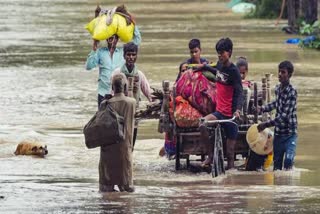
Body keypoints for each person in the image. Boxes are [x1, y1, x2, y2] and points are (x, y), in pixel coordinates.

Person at [198, 37, 243, 170]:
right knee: (202, 124)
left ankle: (230, 183)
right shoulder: (219, 64)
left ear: (229, 52)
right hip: (219, 113)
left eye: (222, 53)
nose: (220, 55)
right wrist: (204, 67)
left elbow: (240, 92)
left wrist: (238, 110)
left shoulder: (234, 72)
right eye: (218, 52)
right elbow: (216, 71)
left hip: (231, 116)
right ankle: (211, 155)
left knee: (230, 154)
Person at [85, 26, 141, 107]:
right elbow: (88, 66)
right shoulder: (100, 52)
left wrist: (133, 23)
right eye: (110, 37)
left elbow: (136, 42)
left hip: (119, 94)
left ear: (118, 39)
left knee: (119, 118)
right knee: (103, 118)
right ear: (106, 39)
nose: (112, 40)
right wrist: (94, 49)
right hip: (103, 93)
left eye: (114, 37)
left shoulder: (122, 52)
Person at [99, 73, 136, 192]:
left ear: (112, 87)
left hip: (107, 151)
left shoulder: (105, 104)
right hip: (124, 150)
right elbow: (129, 97)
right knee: (127, 190)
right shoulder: (131, 103)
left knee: (106, 189)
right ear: (125, 87)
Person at [257, 60, 298, 171]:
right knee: (277, 167)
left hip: (290, 134)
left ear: (289, 75)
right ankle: (280, 185)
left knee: (288, 160)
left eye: (283, 72)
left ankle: (289, 183)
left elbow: (284, 116)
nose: (280, 74)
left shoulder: (292, 92)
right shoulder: (278, 89)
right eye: (279, 72)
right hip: (279, 134)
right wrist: (263, 109)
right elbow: (276, 103)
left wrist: (266, 124)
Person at [112, 42, 152, 150]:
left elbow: (149, 92)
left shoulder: (139, 75)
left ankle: (129, 163)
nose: (131, 57)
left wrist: (158, 103)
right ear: (124, 56)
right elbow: (111, 94)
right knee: (119, 144)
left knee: (131, 145)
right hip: (119, 114)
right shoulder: (117, 73)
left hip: (134, 114)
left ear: (136, 56)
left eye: (133, 55)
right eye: (128, 54)